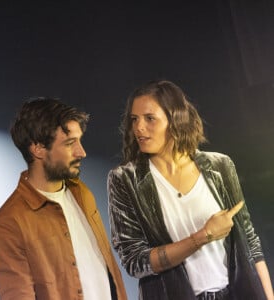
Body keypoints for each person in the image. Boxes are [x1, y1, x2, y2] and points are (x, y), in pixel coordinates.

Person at [107, 80, 273, 300]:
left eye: (150, 118)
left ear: (175, 119)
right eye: (134, 119)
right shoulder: (124, 180)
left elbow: (250, 243)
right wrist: (202, 237)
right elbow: (135, 262)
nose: (138, 127)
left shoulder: (219, 166)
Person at [0, 98, 127, 300]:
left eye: (79, 141)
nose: (82, 152)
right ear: (37, 149)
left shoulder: (81, 192)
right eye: (70, 143)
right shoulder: (8, 223)